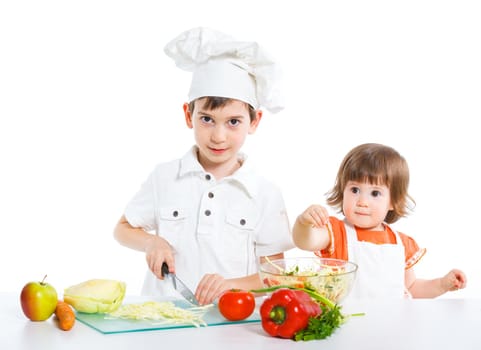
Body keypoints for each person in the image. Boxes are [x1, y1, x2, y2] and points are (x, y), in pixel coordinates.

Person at [114, 27, 294, 305]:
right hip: (160, 318)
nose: (218, 136)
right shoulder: (165, 177)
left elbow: (276, 275)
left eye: (233, 122)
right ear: (189, 115)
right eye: (207, 119)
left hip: (231, 324)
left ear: (255, 121)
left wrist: (231, 286)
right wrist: (152, 242)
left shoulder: (265, 194)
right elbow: (123, 228)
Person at [292, 143, 467, 298]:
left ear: (393, 202)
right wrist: (304, 223)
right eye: (354, 190)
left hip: (390, 326)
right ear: (342, 190)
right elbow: (306, 241)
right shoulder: (335, 232)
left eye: (375, 193)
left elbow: (411, 288)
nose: (362, 201)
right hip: (346, 325)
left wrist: (442, 284)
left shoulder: (401, 243)